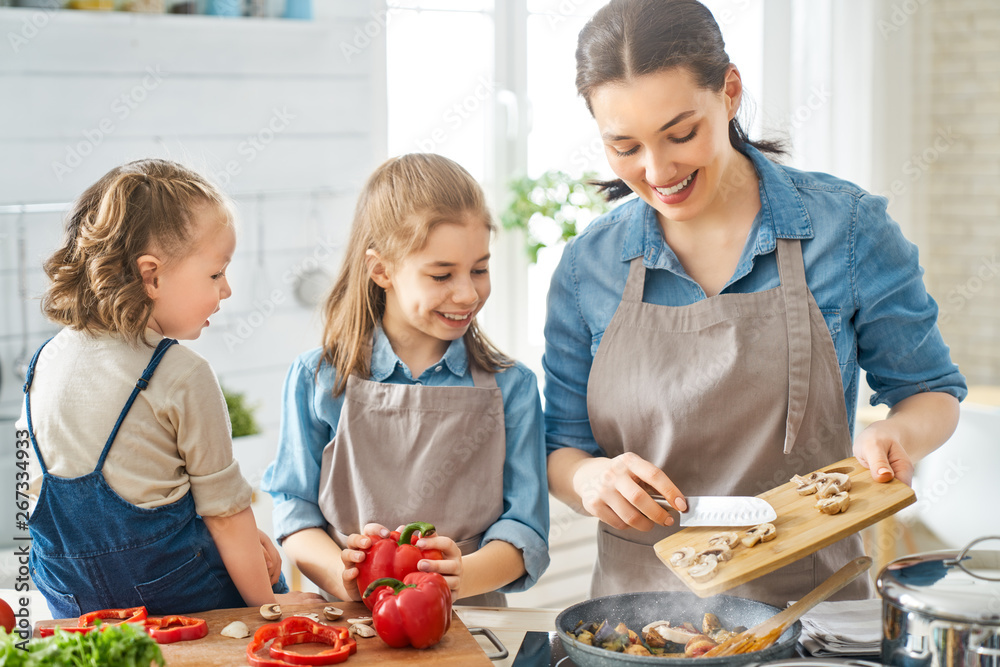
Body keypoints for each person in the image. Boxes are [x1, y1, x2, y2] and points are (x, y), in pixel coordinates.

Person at [543, 0, 966, 605]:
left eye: (680, 133)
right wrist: (590, 477)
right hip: (635, 620)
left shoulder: (846, 231)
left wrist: (900, 433)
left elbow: (931, 390)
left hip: (812, 617)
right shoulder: (590, 266)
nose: (657, 170)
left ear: (731, 90)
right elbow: (562, 446)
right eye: (624, 146)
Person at [20, 159, 320, 618]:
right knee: (260, 567)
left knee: (245, 548)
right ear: (151, 276)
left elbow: (37, 494)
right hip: (176, 597)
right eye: (216, 274)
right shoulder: (181, 373)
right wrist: (269, 600)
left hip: (71, 600)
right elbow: (226, 514)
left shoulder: (44, 363)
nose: (227, 291)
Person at [262, 153, 549, 606]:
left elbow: (526, 530)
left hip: (476, 627)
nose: (468, 293)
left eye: (479, 268)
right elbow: (295, 513)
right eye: (442, 274)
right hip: (354, 624)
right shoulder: (317, 379)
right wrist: (343, 576)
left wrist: (459, 577)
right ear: (382, 271)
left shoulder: (513, 387)